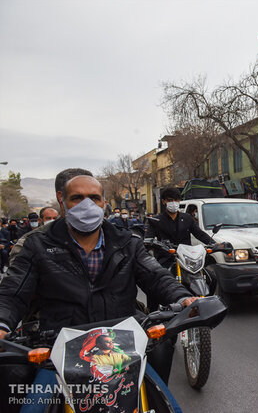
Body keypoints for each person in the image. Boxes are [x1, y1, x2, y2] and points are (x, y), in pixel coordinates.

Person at [0, 175, 196, 412]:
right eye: (77, 198)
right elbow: (13, 292)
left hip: (123, 349)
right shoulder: (38, 245)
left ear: (104, 203)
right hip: (58, 353)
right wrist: (2, 324)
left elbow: (157, 276)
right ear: (63, 203)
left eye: (94, 198)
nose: (86, 205)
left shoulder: (127, 243)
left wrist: (185, 297)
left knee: (168, 406)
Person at [145, 187, 215, 267]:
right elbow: (148, 240)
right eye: (170, 200)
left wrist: (214, 244)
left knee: (210, 277)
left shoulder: (187, 218)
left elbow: (199, 234)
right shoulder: (155, 220)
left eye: (176, 200)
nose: (173, 203)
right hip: (166, 261)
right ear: (163, 202)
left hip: (188, 259)